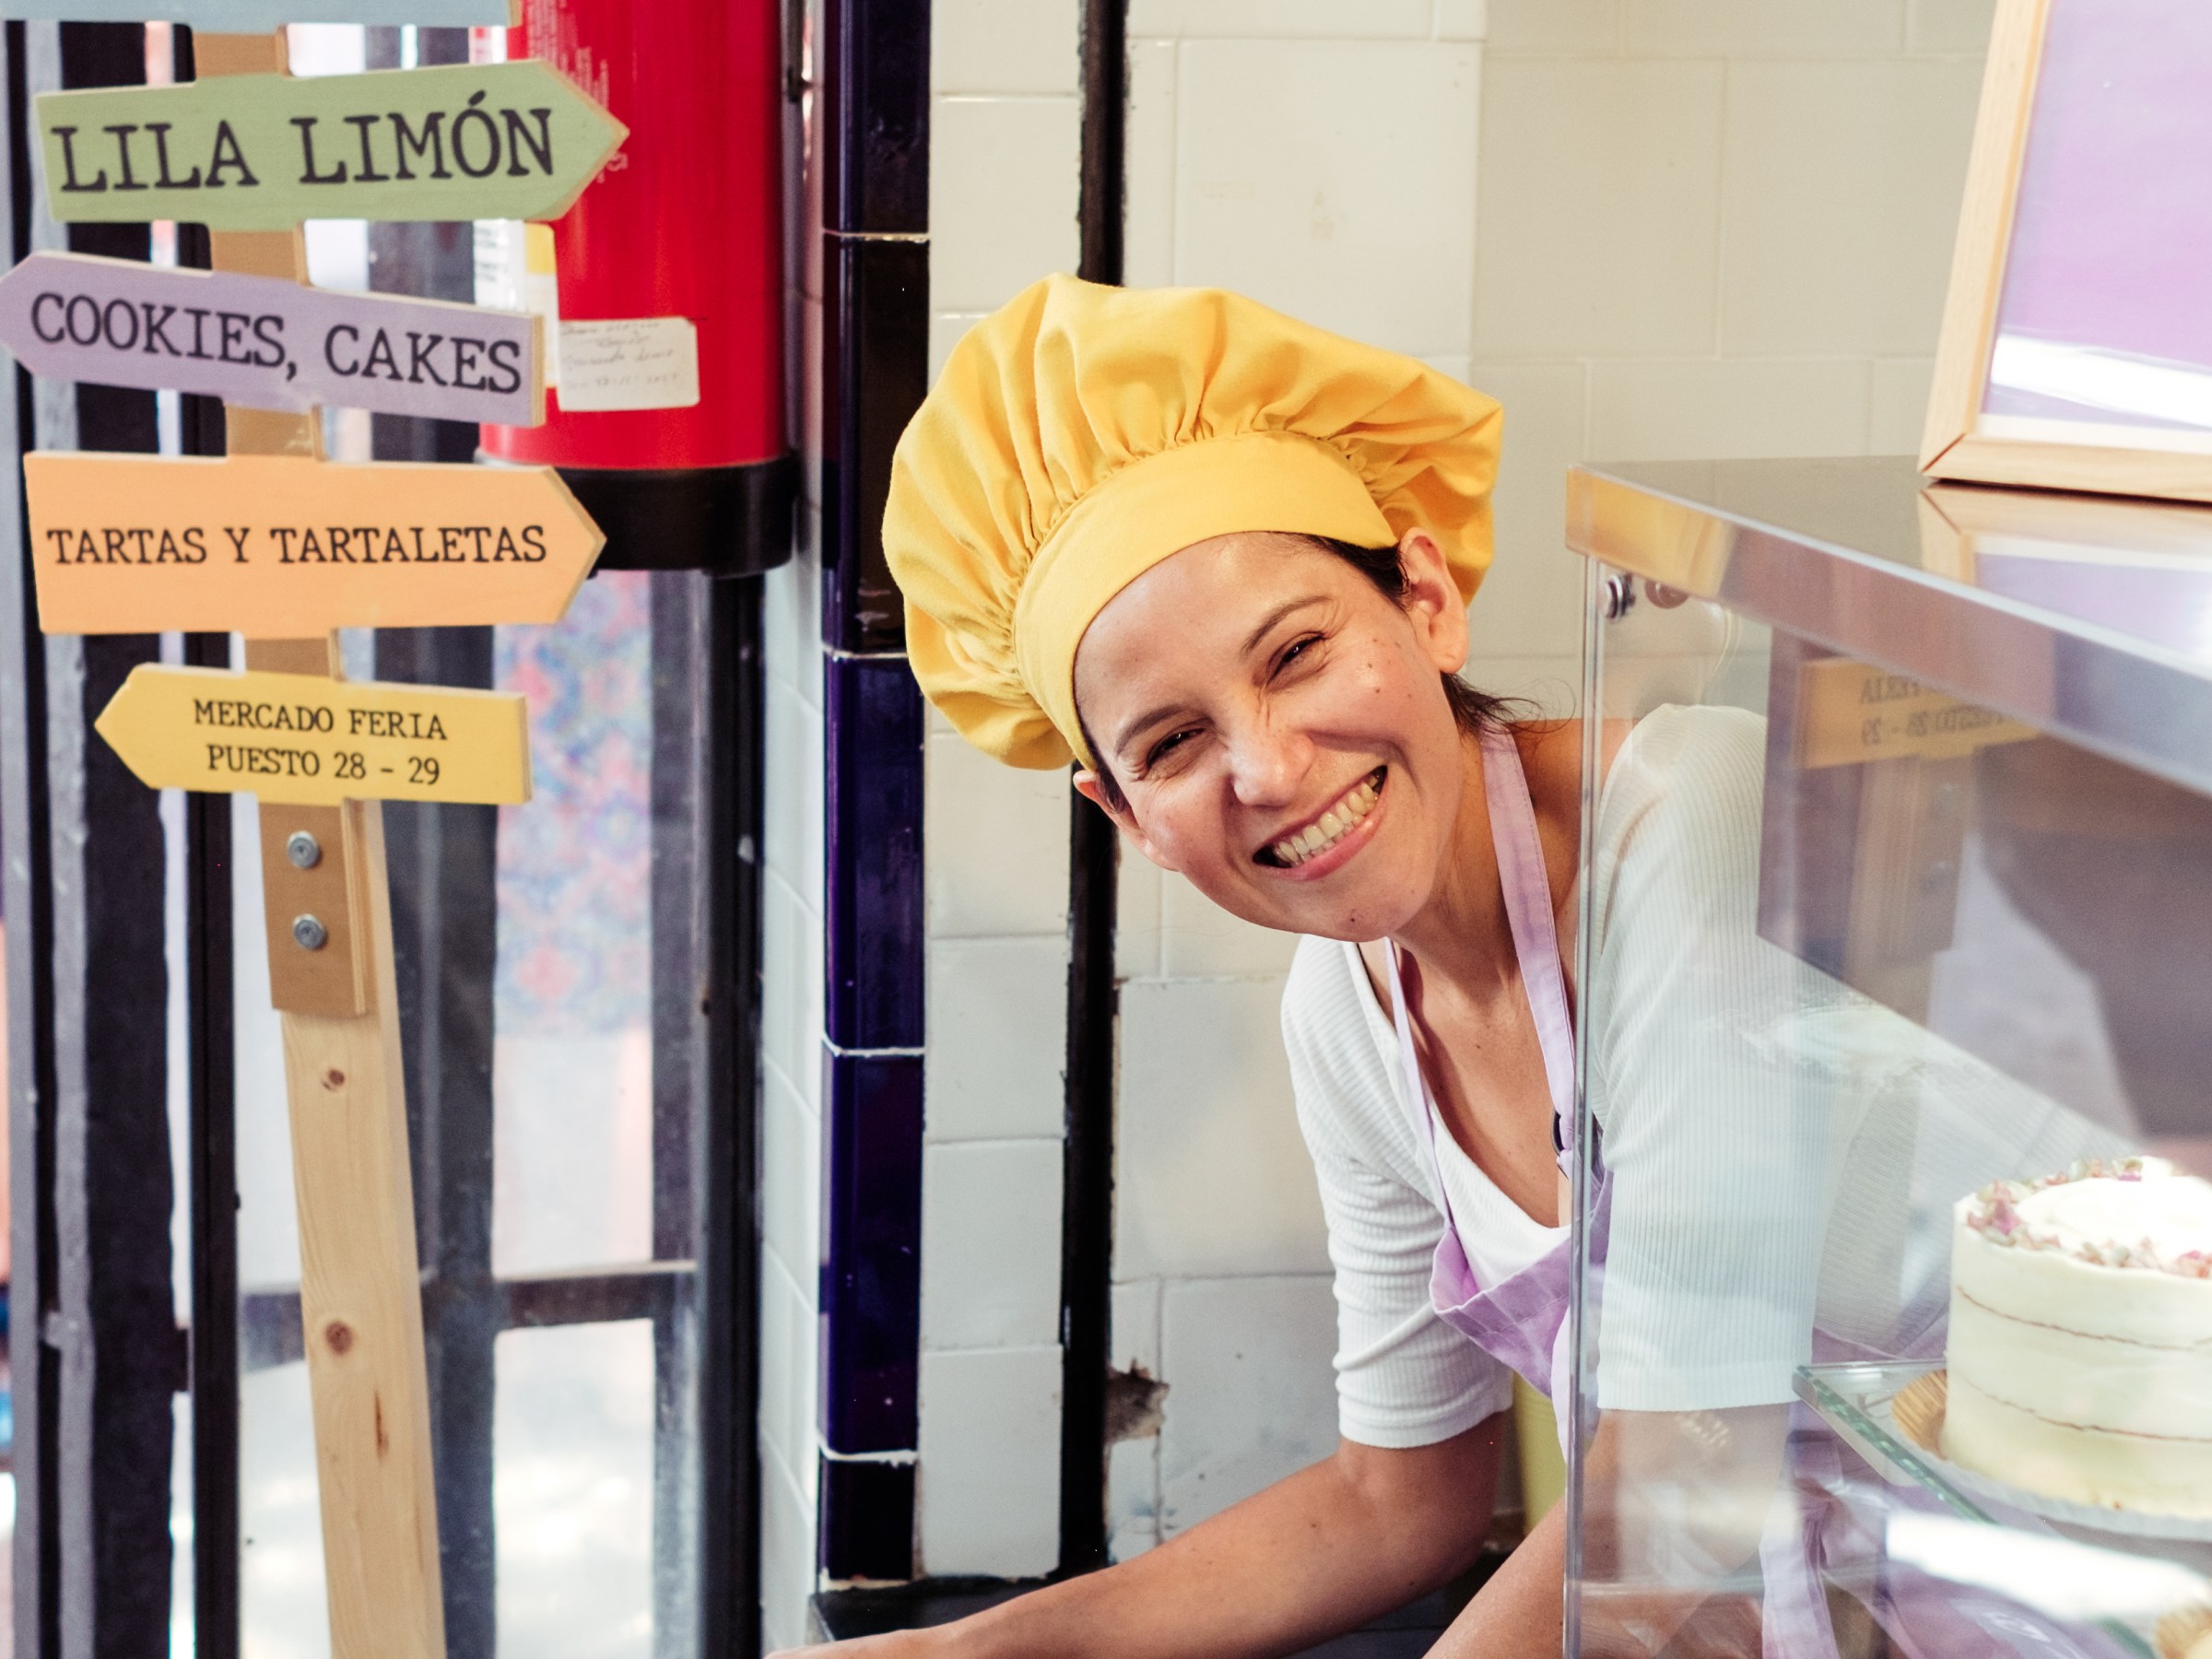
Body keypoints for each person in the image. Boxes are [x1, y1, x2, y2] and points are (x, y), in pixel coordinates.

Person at [776, 276, 1944, 1659]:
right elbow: (1396, 1498)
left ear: (1428, 600)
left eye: (1299, 652)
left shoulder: (1696, 824)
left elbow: (1690, 1466)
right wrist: (966, 1650)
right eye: (1169, 745)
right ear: (1125, 818)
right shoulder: (1351, 1011)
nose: (1268, 768)